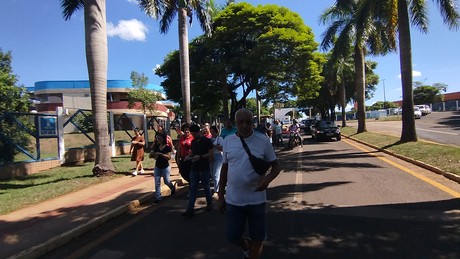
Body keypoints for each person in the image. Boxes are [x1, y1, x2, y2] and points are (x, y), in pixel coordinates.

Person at [218, 108, 281, 259]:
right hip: (234, 200)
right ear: (235, 123)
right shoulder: (228, 141)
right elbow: (224, 169)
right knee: (233, 236)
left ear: (253, 123)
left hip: (256, 200)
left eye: (248, 122)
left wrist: (267, 180)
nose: (245, 125)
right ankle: (246, 245)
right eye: (241, 122)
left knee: (258, 237)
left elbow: (276, 166)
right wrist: (220, 195)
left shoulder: (263, 140)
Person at [182, 124, 214, 218]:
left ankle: (209, 204)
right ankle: (190, 209)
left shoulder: (207, 141)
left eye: (194, 133)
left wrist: (200, 156)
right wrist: (189, 156)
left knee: (206, 187)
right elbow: (191, 152)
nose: (193, 135)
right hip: (194, 168)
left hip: (204, 168)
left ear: (198, 132)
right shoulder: (194, 142)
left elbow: (211, 154)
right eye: (192, 134)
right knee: (192, 188)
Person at [151, 133, 175, 203]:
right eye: (157, 138)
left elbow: (169, 157)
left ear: (163, 139)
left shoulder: (167, 147)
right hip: (157, 167)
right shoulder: (156, 147)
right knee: (157, 182)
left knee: (166, 181)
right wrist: (153, 154)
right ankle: (158, 198)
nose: (158, 140)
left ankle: (172, 188)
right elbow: (151, 155)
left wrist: (161, 154)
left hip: (165, 167)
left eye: (160, 138)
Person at [210, 125, 224, 194]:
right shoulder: (209, 139)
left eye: (213, 131)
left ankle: (217, 190)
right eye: (211, 131)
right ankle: (216, 186)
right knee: (212, 174)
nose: (212, 133)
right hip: (211, 157)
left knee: (216, 174)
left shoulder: (220, 139)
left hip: (218, 156)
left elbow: (222, 148)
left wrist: (215, 146)